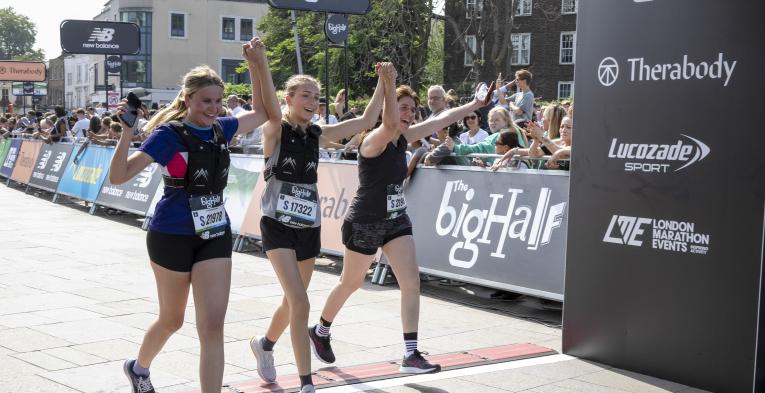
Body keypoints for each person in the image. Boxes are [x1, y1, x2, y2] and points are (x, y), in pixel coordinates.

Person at [108, 37, 273, 393]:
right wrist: (126, 133)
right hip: (171, 234)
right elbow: (119, 176)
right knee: (172, 319)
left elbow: (263, 113)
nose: (213, 108)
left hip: (214, 232)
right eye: (205, 102)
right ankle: (139, 368)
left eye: (217, 101)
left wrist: (258, 65)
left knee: (212, 325)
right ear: (188, 100)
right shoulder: (168, 135)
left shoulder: (222, 128)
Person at [307, 66, 496, 375]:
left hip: (396, 220)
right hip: (365, 221)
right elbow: (391, 122)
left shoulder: (403, 137)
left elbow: (439, 120)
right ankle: (321, 330)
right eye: (402, 107)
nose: (408, 113)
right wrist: (389, 81)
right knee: (351, 283)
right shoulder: (374, 140)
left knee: (411, 282)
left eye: (412, 108)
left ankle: (411, 354)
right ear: (387, 110)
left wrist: (475, 106)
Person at [248, 63, 388, 393]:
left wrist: (385, 82)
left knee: (292, 301)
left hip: (308, 227)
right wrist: (261, 61)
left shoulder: (316, 133)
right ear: (289, 99)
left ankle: (265, 344)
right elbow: (268, 105)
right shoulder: (275, 129)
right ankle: (305, 382)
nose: (313, 101)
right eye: (306, 96)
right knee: (301, 303)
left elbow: (368, 121)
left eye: (317, 97)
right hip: (276, 225)